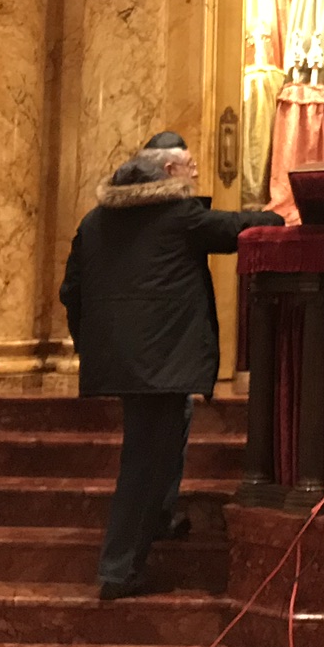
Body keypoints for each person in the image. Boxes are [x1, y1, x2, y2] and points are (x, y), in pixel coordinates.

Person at [60, 131, 281, 600]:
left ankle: (158, 517)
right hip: (160, 360)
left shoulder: (95, 221)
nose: (196, 171)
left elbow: (71, 290)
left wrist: (94, 344)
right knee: (144, 459)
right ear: (167, 171)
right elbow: (236, 227)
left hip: (129, 358)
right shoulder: (178, 216)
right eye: (189, 164)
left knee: (167, 431)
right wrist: (280, 215)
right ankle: (119, 569)